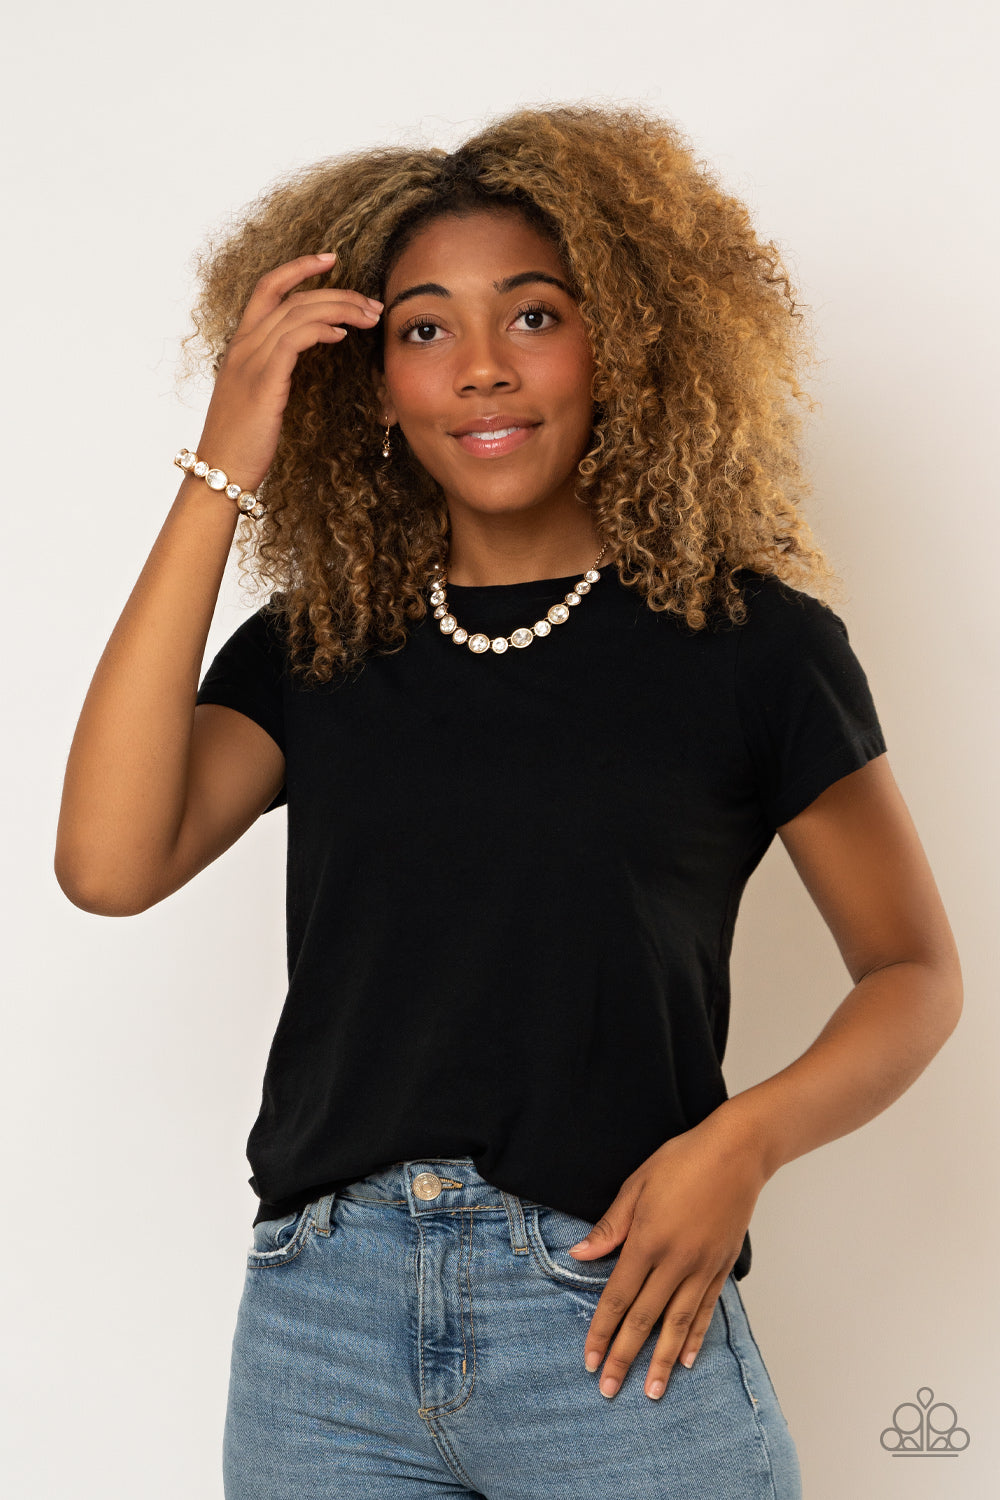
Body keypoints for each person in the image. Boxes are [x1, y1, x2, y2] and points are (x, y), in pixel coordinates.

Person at [54, 102, 963, 1499]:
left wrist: (743, 1144)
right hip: (322, 1333)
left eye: (535, 316)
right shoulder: (317, 647)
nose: (482, 366)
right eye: (424, 329)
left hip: (611, 1310)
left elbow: (913, 972)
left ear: (624, 344)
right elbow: (107, 866)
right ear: (370, 383)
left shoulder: (751, 645)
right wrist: (223, 465)